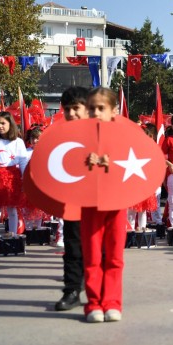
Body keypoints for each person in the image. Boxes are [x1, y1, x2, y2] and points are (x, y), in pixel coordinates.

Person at [80, 87, 129, 323]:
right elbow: (68, 171)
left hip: (117, 202)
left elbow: (136, 170)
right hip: (89, 203)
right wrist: (84, 162)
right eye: (92, 109)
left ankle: (112, 302)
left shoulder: (125, 136)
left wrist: (113, 163)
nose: (96, 112)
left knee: (115, 255)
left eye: (102, 108)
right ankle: (93, 304)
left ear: (114, 111)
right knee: (92, 256)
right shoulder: (78, 139)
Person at [53, 86, 89, 312]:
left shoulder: (101, 133)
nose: (72, 113)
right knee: (73, 245)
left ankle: (101, 290)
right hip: (72, 200)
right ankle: (72, 289)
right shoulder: (58, 136)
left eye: (77, 108)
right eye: (68, 109)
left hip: (99, 199)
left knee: (98, 247)